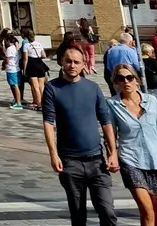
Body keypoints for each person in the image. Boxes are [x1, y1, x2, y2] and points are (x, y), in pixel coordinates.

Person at [42, 46, 118, 226]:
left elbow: (106, 121)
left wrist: (113, 152)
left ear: (84, 64)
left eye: (76, 62)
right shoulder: (52, 88)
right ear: (61, 62)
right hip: (70, 161)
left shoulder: (93, 88)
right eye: (68, 61)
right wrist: (53, 154)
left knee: (107, 211)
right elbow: (48, 122)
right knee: (78, 214)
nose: (72, 65)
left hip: (97, 161)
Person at [106, 62, 157, 226]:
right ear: (116, 82)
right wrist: (112, 155)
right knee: (147, 211)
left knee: (156, 214)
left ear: (136, 80)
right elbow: (111, 135)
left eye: (129, 77)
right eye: (121, 78)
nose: (126, 82)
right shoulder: (112, 104)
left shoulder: (151, 101)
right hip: (131, 161)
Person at [23, 28, 48, 111]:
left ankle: (39, 104)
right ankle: (45, 103)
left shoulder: (26, 45)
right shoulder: (39, 44)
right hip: (40, 64)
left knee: (35, 86)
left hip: (32, 65)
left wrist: (25, 69)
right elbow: (44, 55)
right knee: (42, 86)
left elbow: (25, 59)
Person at [2, 29, 23, 109]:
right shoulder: (15, 48)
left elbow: (7, 60)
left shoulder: (9, 49)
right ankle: (19, 100)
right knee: (17, 85)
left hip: (11, 69)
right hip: (16, 68)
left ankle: (18, 103)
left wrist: (3, 65)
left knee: (14, 86)